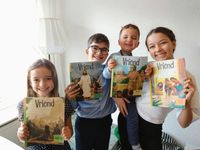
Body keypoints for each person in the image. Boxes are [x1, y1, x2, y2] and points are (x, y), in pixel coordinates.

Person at [124, 26, 199, 150]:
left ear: (173, 44)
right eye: (152, 46)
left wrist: (186, 103)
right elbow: (125, 89)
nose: (157, 49)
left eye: (163, 43)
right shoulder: (146, 67)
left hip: (151, 127)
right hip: (129, 117)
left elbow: (184, 124)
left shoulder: (187, 78)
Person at [65, 33, 117, 150]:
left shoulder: (110, 71)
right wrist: (70, 97)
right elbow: (73, 106)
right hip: (84, 122)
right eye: (95, 48)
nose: (99, 53)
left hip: (104, 121)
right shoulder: (77, 73)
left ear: (107, 54)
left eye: (104, 50)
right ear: (87, 51)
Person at [17, 58, 74, 150]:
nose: (42, 84)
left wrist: (68, 133)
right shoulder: (23, 105)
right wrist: (21, 134)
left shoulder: (64, 104)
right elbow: (24, 137)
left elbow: (70, 131)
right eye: (36, 80)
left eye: (48, 78)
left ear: (54, 80)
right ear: (30, 82)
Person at [106, 24, 142, 150]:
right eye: (125, 37)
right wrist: (110, 68)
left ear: (137, 43)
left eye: (133, 38)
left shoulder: (136, 61)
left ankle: (130, 141)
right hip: (118, 94)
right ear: (119, 41)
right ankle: (135, 144)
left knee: (134, 117)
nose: (129, 40)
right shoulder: (114, 57)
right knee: (132, 117)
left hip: (131, 94)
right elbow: (106, 78)